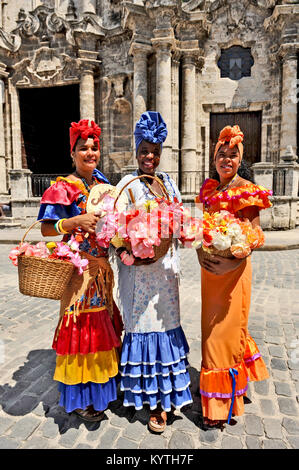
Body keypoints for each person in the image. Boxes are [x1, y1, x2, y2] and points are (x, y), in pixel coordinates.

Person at [37, 119, 123, 422]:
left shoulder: (102, 184)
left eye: (94, 148)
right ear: (72, 153)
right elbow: (47, 228)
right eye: (83, 148)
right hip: (77, 272)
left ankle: (101, 389)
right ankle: (82, 396)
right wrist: (74, 222)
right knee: (81, 329)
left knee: (101, 328)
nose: (90, 153)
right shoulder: (63, 187)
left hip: (101, 272)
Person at [115, 111, 192, 433]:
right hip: (138, 272)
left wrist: (184, 228)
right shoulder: (126, 185)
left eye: (155, 152)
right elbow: (113, 230)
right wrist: (126, 252)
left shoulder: (168, 183)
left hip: (165, 272)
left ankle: (166, 398)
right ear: (136, 151)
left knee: (166, 325)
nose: (150, 157)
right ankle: (149, 399)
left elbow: (181, 220)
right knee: (142, 326)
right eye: (145, 150)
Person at [196, 125, 272, 428]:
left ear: (241, 159)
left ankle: (219, 408)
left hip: (235, 274)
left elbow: (256, 234)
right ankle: (227, 384)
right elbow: (204, 231)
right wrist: (201, 252)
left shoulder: (247, 191)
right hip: (210, 275)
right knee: (210, 333)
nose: (226, 160)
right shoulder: (209, 191)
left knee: (222, 335)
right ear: (214, 158)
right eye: (221, 155)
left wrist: (234, 258)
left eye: (232, 155)